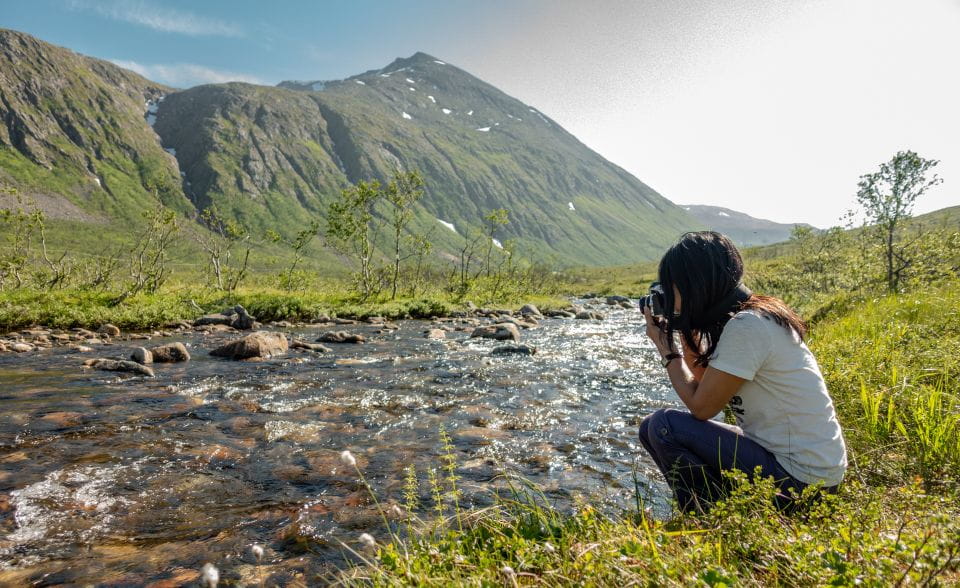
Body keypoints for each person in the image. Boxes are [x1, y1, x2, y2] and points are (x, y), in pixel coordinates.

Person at [637, 231, 846, 513]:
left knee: (664, 426)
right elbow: (704, 384)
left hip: (803, 484)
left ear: (694, 284)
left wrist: (666, 347)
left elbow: (702, 407)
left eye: (671, 286)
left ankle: (707, 516)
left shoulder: (748, 326)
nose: (668, 295)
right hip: (805, 472)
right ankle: (727, 509)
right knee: (649, 426)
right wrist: (687, 326)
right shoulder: (751, 317)